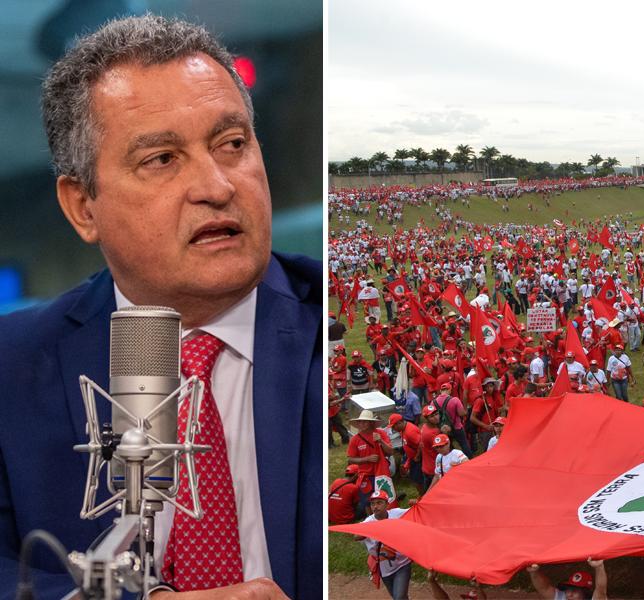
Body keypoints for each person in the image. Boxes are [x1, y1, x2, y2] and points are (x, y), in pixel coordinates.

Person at [0, 15, 322, 597]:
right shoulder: (11, 366)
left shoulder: (333, 322)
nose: (217, 185)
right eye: (162, 159)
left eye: (232, 144)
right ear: (83, 207)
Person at [357, 490, 413, 600]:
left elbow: (414, 511)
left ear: (387, 504)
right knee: (397, 596)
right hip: (384, 570)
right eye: (372, 504)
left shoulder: (396, 513)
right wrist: (371, 530)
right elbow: (356, 536)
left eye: (379, 503)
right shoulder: (368, 522)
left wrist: (414, 503)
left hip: (403, 564)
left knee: (399, 597)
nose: (375, 507)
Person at [527, 559, 608, 600]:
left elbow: (601, 589)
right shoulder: (563, 598)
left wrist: (599, 567)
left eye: (575, 590)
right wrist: (534, 572)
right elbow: (544, 588)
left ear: (585, 593)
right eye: (568, 589)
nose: (570, 594)